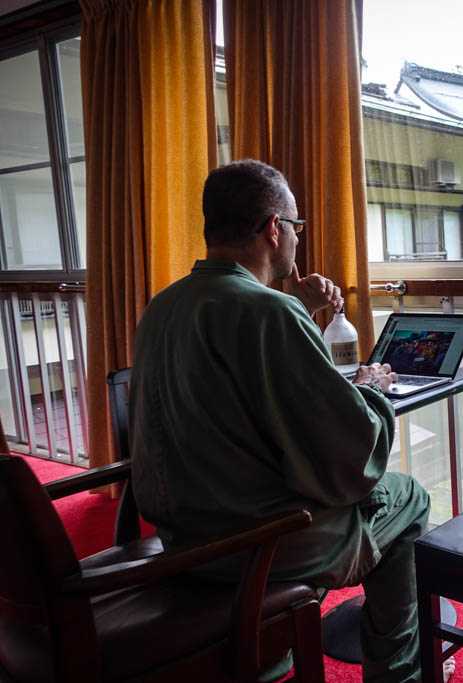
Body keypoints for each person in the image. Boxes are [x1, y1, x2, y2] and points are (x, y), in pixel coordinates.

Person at [129, 159, 437, 683]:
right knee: (408, 496)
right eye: (297, 226)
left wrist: (298, 308)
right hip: (261, 543)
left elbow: (242, 393)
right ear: (275, 228)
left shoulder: (163, 305)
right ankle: (397, 674)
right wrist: (370, 390)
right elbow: (349, 456)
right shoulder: (269, 312)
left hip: (184, 538)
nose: (297, 237)